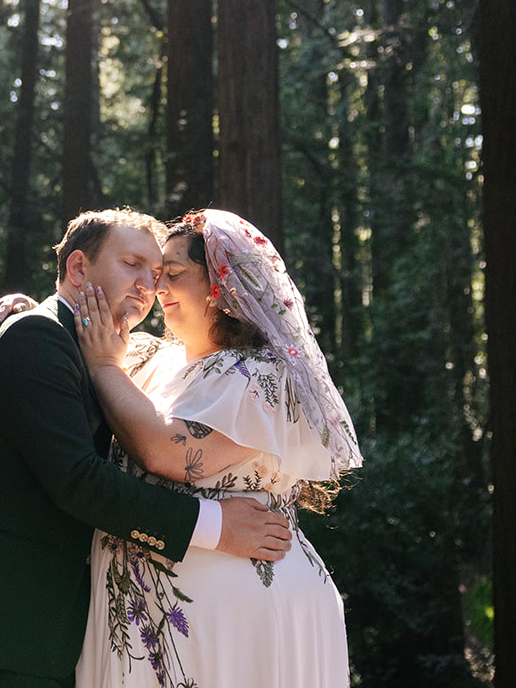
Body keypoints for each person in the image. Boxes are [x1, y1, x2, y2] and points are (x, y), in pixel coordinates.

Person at [0, 209, 296, 687]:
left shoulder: (93, 348)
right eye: (132, 264)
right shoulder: (36, 336)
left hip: (33, 627)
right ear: (77, 268)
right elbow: (78, 479)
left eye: (156, 276)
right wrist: (216, 526)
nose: (147, 286)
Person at [71, 209, 363, 688]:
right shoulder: (148, 360)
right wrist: (23, 311)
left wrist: (104, 367)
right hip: (145, 617)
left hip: (233, 617)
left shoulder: (259, 374)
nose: (156, 286)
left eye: (174, 275)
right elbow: (85, 329)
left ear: (224, 287)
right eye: (152, 274)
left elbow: (169, 453)